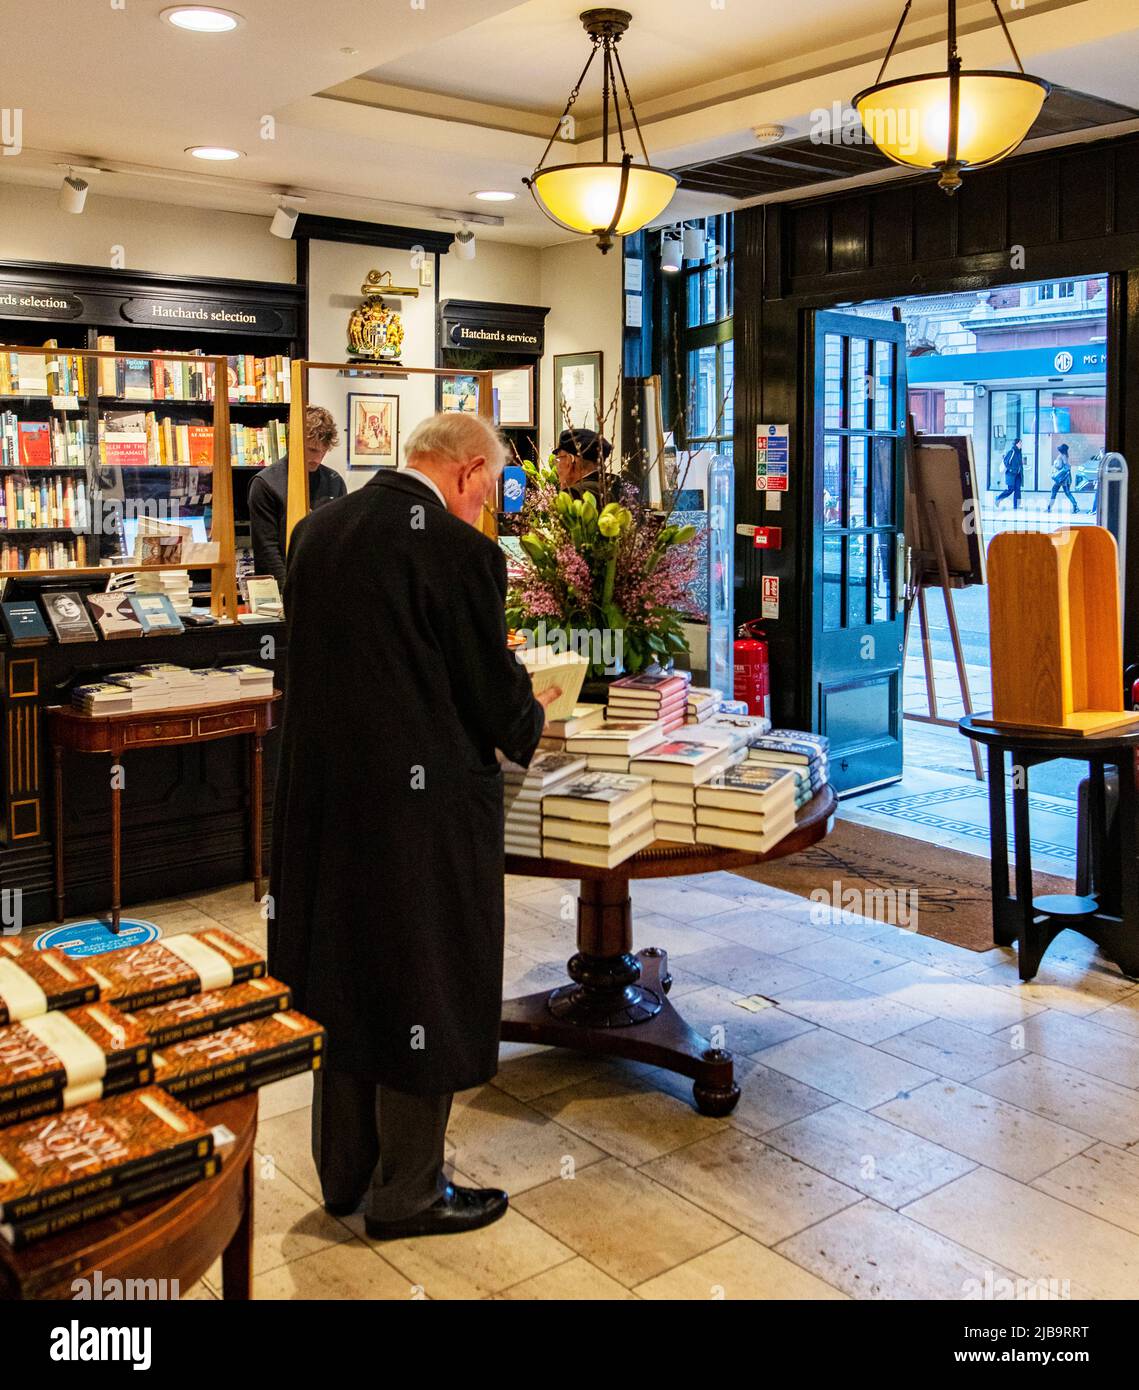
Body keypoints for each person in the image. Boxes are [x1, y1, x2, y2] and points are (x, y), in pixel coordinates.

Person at [268, 412, 559, 1241]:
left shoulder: (316, 532)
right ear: (468, 473)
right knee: (424, 976)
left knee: (344, 973)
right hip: (420, 813)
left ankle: (343, 1174)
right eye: (491, 489)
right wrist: (531, 710)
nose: (487, 507)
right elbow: (483, 687)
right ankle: (409, 1192)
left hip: (326, 805)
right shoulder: (460, 552)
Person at [248, 404, 347, 588]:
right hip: (278, 588)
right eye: (311, 450)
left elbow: (340, 540)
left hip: (323, 585)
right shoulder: (265, 483)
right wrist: (289, 592)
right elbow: (267, 548)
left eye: (323, 451)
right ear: (294, 442)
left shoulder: (334, 481)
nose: (317, 459)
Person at [553, 426, 613, 498]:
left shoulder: (575, 494)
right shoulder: (617, 489)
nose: (557, 467)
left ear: (569, 461)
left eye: (559, 459)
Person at [1046, 442, 1082, 513]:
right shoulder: (1065, 455)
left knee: (1056, 492)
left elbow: (1061, 466)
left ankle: (1049, 508)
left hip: (1061, 479)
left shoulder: (1062, 456)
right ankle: (1075, 506)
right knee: (1066, 493)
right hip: (1064, 479)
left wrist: (1055, 464)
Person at [995, 437, 1024, 509]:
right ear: (1016, 444)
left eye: (1021, 443)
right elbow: (1005, 462)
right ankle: (998, 498)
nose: (1021, 444)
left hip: (1018, 475)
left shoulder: (1019, 452)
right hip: (1011, 475)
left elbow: (1019, 463)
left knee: (1018, 490)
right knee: (1010, 489)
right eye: (1020, 443)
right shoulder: (1012, 452)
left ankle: (1016, 506)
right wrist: (1011, 469)